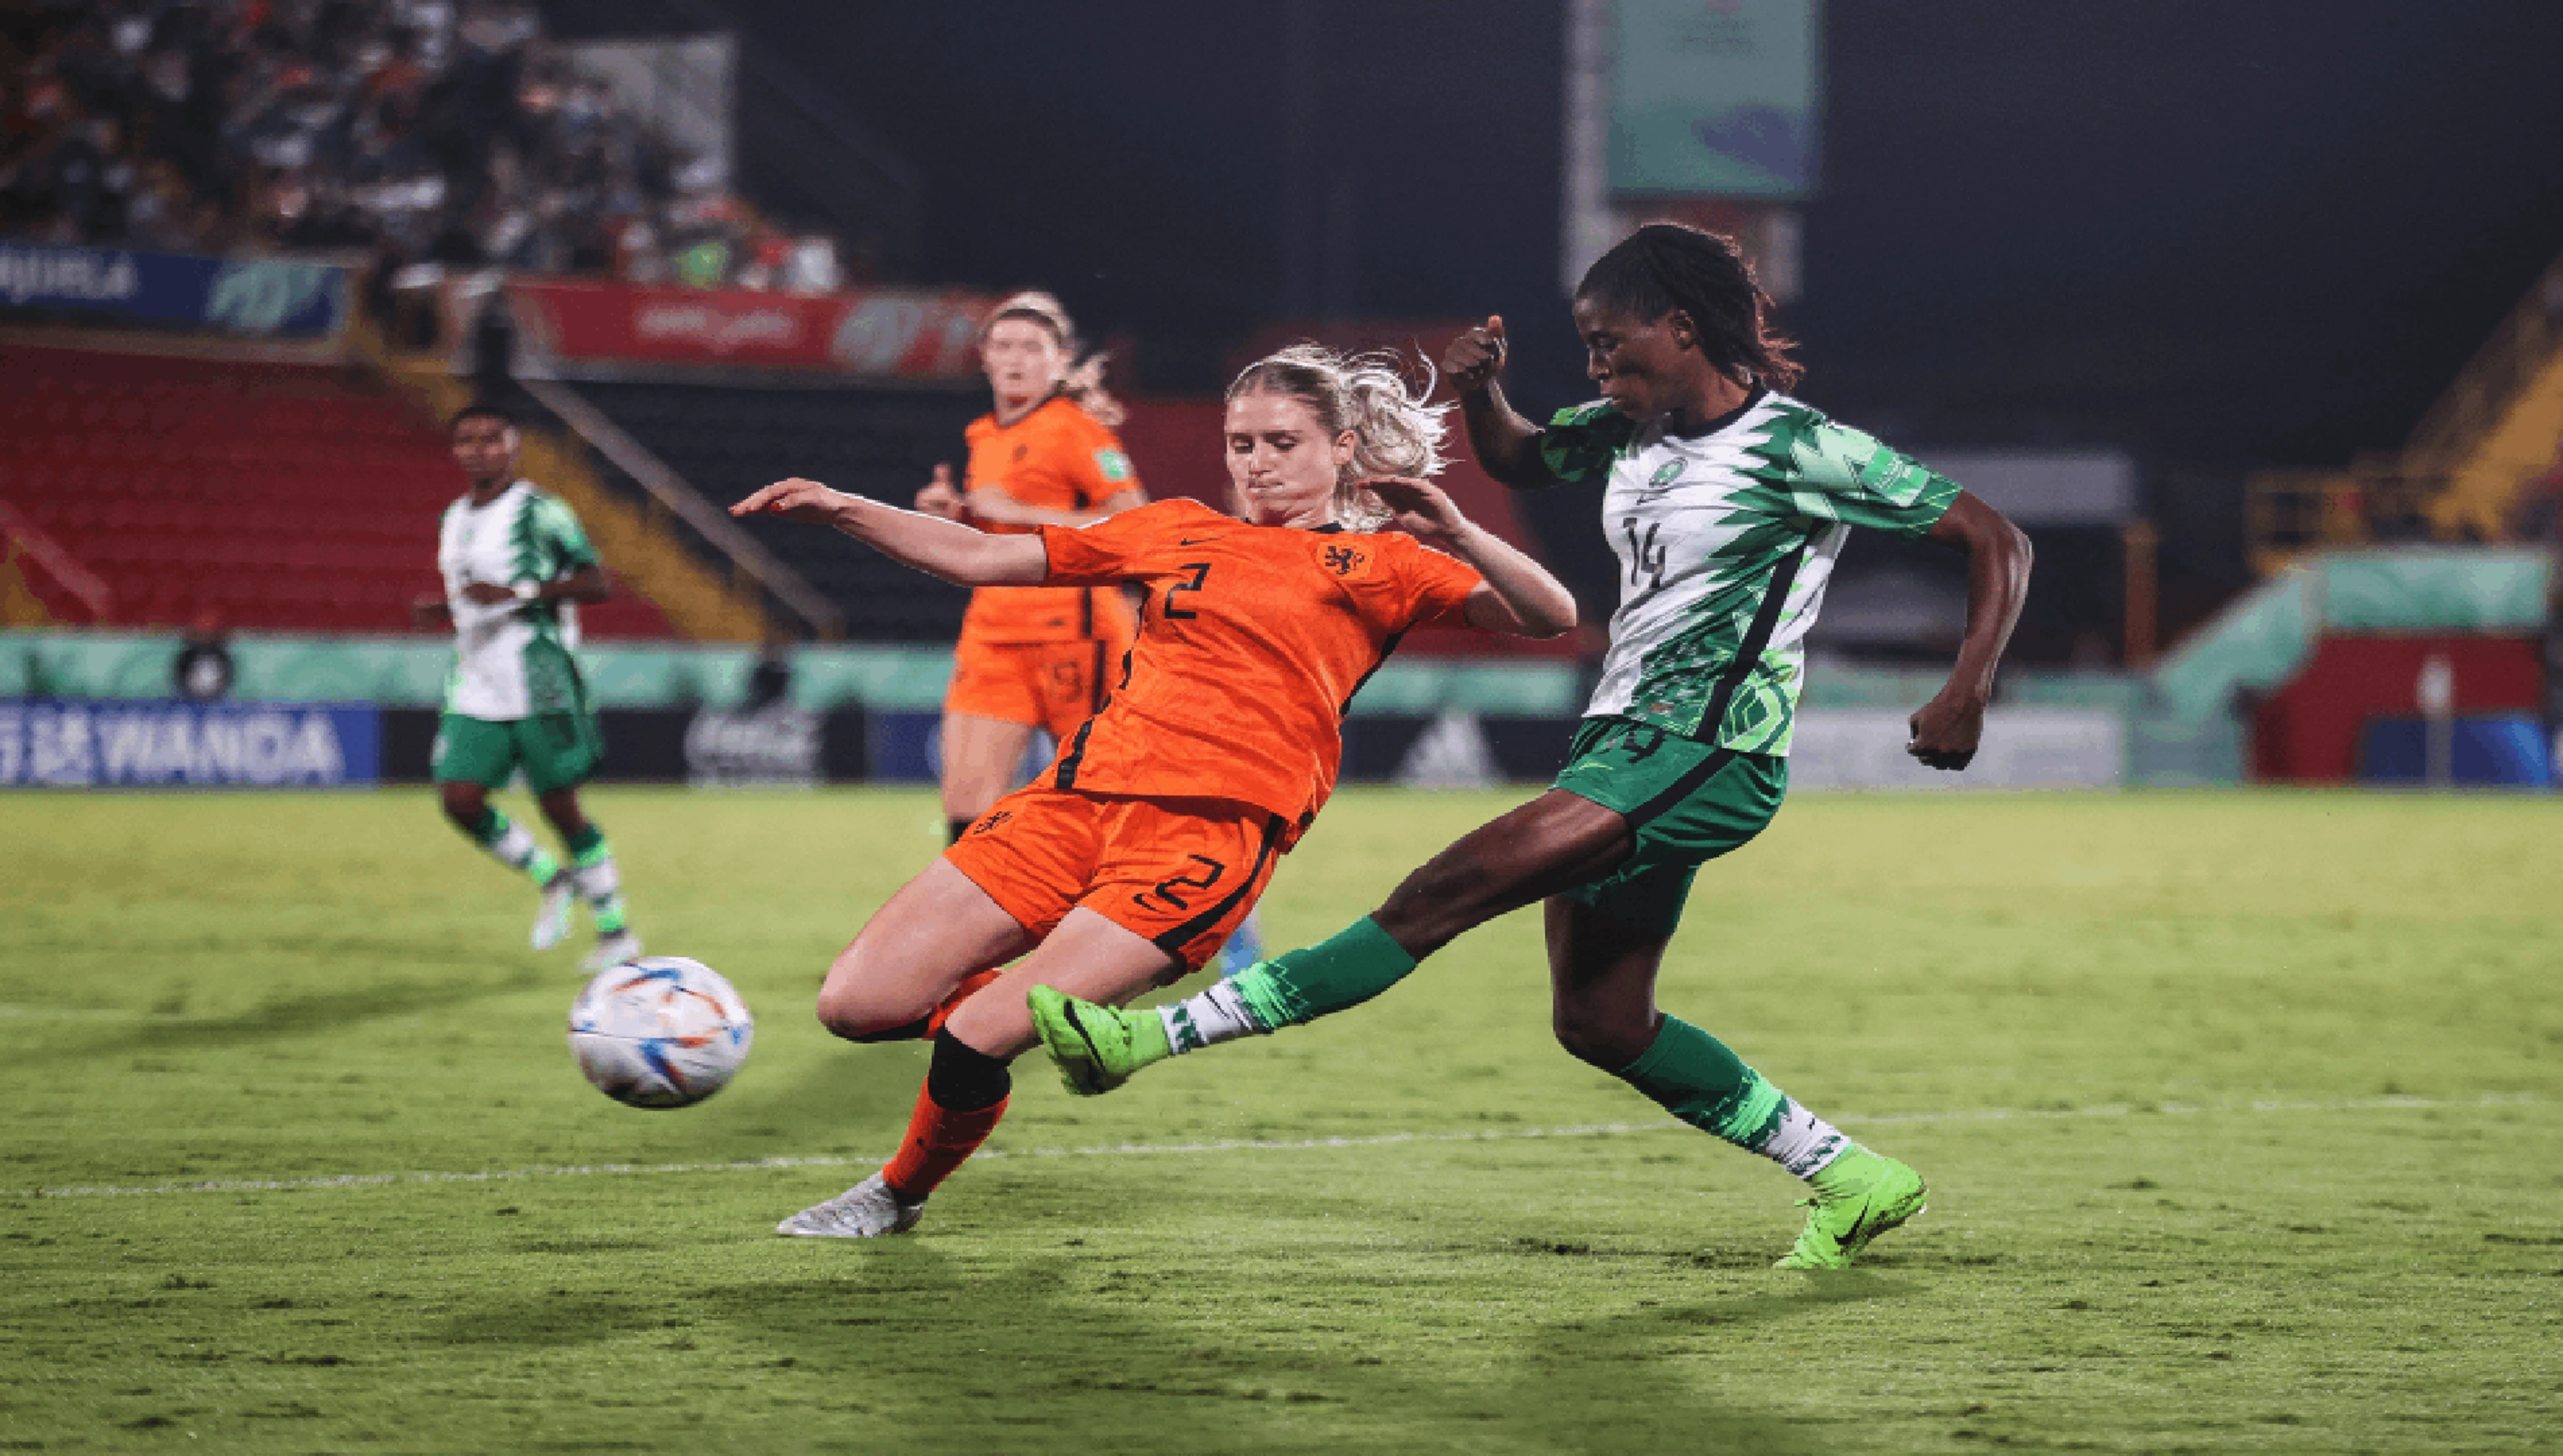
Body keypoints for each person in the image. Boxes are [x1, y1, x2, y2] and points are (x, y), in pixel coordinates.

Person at [1031, 223, 2035, 1271]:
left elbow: (1994, 536)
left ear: (1680, 328)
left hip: (1708, 751)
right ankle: (1854, 1177)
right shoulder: (1626, 429)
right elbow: (1520, 454)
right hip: (1621, 742)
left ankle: (1148, 1039)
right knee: (1600, 1021)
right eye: (1589, 349)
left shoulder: (1798, 448)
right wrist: (1480, 395)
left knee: (1442, 891)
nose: (1597, 369)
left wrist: (1968, 690)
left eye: (1610, 345)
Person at [729, 345, 1578, 1238]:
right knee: (855, 1006)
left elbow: (1550, 614)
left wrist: (1460, 531)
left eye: (1281, 441)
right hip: (1070, 805)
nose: (1256, 461)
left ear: (1342, 445)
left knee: (976, 1033)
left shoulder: (1389, 565)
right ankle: (1044, 1016)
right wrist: (842, 508)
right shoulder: (1176, 529)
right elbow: (983, 559)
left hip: (1202, 842)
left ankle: (896, 1192)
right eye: (1241, 442)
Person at [411, 403, 642, 972]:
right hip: (476, 678)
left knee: (560, 806)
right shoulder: (454, 517)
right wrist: (449, 607)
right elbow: (477, 594)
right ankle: (551, 877)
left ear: (513, 446)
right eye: (467, 440)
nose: (479, 449)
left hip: (538, 678)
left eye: (492, 438)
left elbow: (596, 582)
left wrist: (517, 591)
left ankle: (616, 932)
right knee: (459, 799)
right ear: (456, 450)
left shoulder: (540, 510)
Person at [915, 291, 1148, 846]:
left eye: (1032, 347)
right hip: (994, 631)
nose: (1016, 358)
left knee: (1100, 807)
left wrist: (1016, 513)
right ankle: (980, 932)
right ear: (985, 357)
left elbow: (1137, 525)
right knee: (967, 813)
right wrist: (953, 516)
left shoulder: (1076, 430)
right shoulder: (984, 434)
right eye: (1004, 345)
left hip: (1074, 635)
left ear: (1060, 359)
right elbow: (993, 539)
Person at [171, 607, 235, 702]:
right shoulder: (187, 655)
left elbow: (228, 677)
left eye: (209, 629)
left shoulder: (222, 656)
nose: (205, 633)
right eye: (201, 630)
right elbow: (179, 676)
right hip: (190, 698)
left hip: (216, 698)